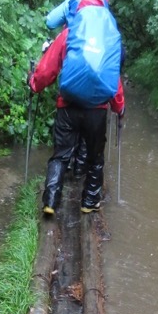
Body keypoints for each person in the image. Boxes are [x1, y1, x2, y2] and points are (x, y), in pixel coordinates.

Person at [28, 18, 125, 215]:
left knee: (61, 155)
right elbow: (113, 78)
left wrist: (34, 84)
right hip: (97, 110)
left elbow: (48, 68)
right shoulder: (107, 39)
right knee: (95, 157)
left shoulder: (69, 33)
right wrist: (119, 107)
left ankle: (51, 201)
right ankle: (89, 202)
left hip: (67, 106)